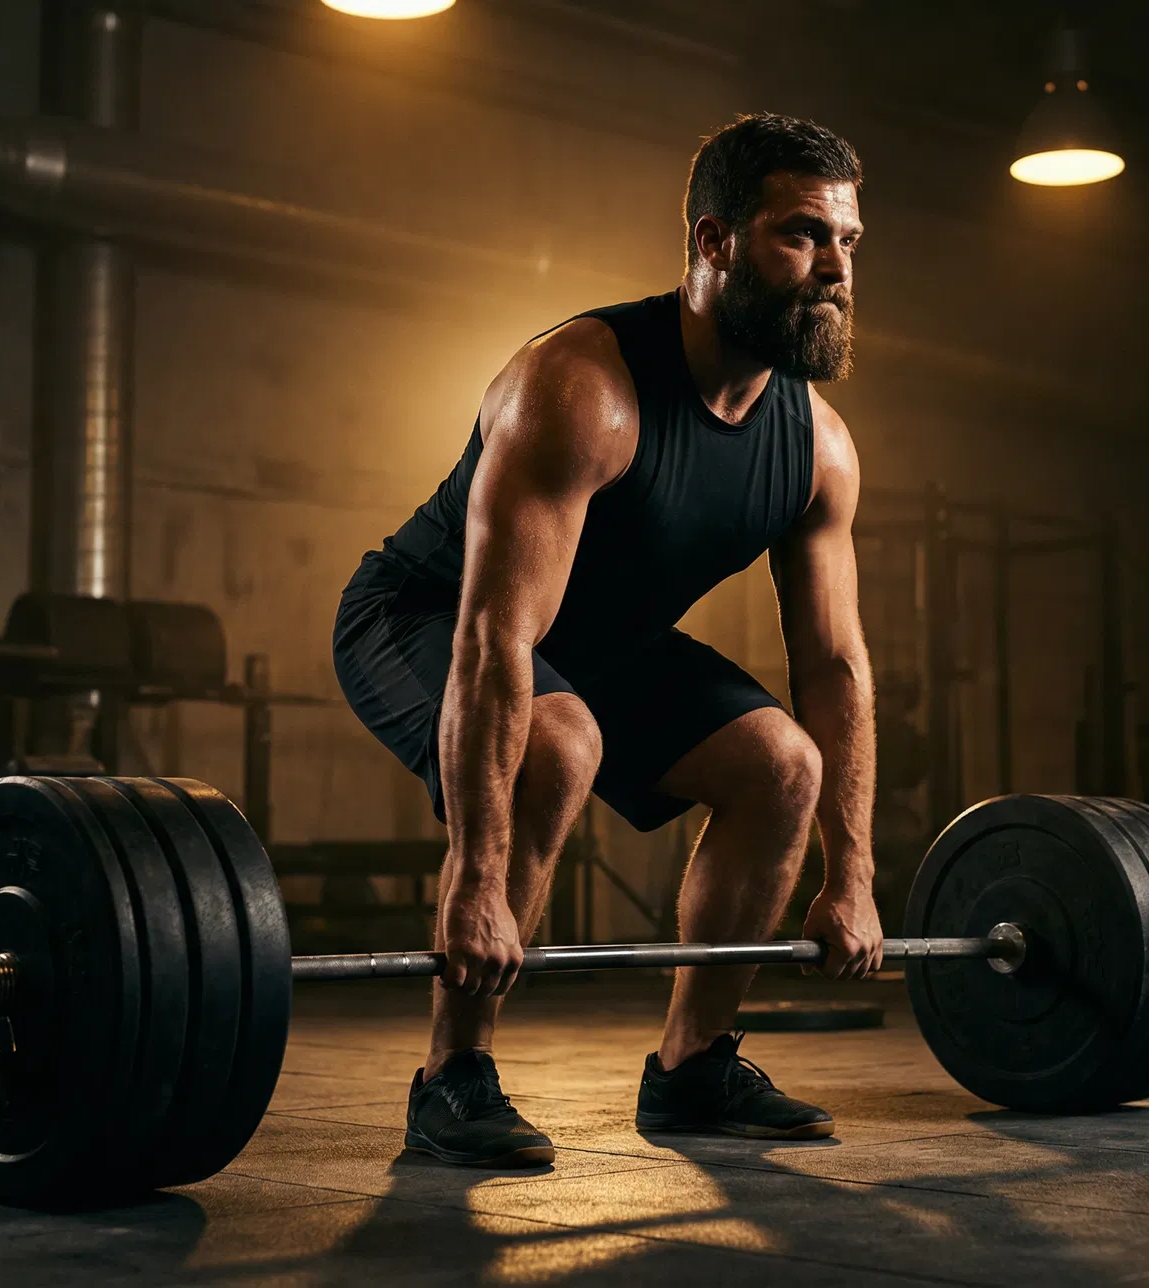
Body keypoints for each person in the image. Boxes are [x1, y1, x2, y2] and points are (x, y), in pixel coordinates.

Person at [333, 113, 881, 1167]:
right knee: (561, 737)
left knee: (784, 765)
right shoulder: (583, 386)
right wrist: (475, 880)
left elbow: (835, 665)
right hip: (424, 614)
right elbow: (496, 635)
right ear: (714, 242)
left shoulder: (818, 448)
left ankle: (693, 1067)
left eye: (848, 243)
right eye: (803, 236)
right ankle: (453, 1075)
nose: (835, 269)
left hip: (601, 640)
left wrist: (849, 872)